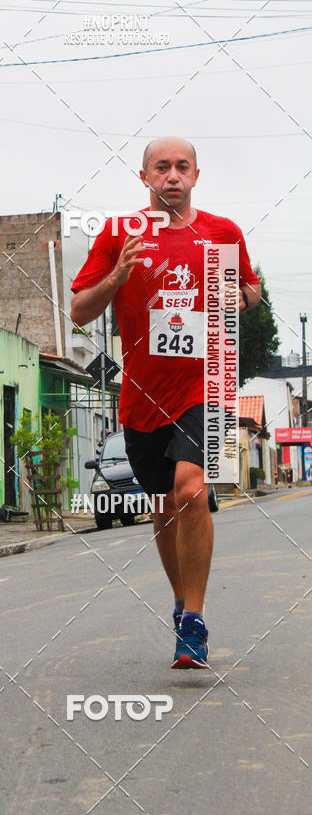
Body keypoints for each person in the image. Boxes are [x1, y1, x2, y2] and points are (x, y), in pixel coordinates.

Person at [71, 137, 261, 668]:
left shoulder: (222, 232)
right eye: (162, 167)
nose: (172, 175)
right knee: (162, 504)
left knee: (190, 490)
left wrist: (245, 295)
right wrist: (118, 275)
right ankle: (180, 604)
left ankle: (196, 622)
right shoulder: (118, 233)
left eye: (182, 167)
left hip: (208, 384)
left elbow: (250, 288)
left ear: (197, 175)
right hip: (143, 396)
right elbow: (80, 313)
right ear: (144, 177)